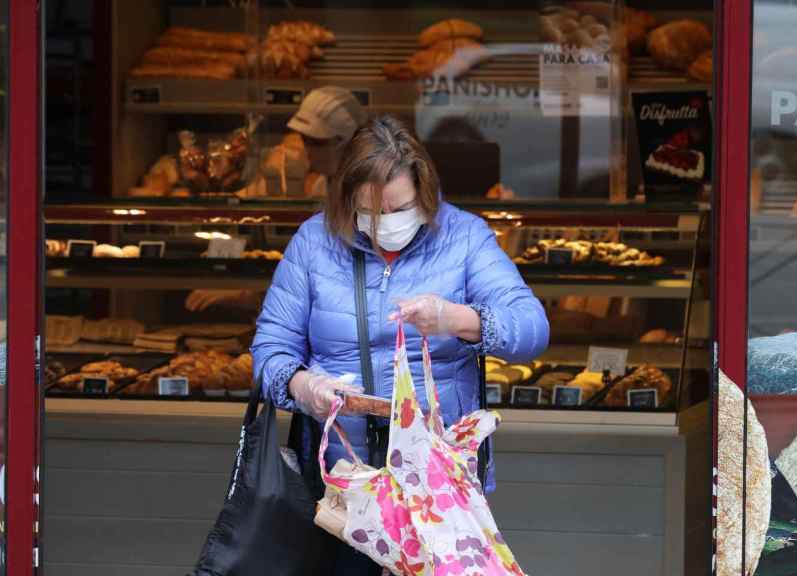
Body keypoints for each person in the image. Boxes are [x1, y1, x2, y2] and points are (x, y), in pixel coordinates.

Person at [251, 116, 549, 574]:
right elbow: (269, 349)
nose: (388, 222)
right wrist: (301, 385)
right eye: (372, 213)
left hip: (437, 483)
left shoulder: (464, 237)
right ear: (347, 198)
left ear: (424, 193)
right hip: (341, 484)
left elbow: (532, 329)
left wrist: (456, 318)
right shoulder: (314, 242)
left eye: (401, 208)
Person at [186, 86, 367, 313]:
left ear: (345, 141)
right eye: (304, 139)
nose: (307, 149)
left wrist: (246, 296)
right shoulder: (324, 188)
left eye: (316, 142)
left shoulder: (373, 199)